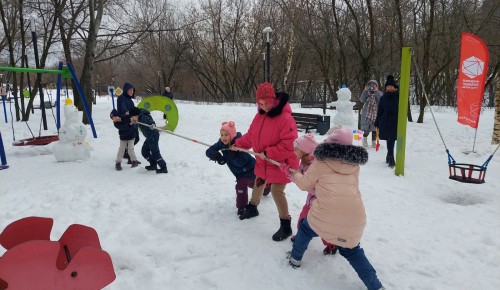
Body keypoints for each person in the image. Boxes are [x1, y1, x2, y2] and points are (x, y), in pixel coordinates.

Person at [281, 128, 384, 290]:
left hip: (326, 214)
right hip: (355, 218)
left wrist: (292, 174)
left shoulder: (320, 162)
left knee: (306, 228)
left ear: (328, 143)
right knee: (353, 251)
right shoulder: (354, 165)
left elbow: (304, 184)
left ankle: (295, 258)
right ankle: (376, 286)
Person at [232, 82, 299, 242]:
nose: (264, 106)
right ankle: (253, 207)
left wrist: (269, 153)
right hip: (263, 162)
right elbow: (251, 136)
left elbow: (290, 144)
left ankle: (285, 224)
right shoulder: (259, 116)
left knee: (276, 190)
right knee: (259, 181)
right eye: (260, 104)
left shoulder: (285, 119)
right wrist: (238, 144)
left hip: (281, 164)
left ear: (274, 100)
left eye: (266, 103)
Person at [206, 121, 270, 216]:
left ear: (232, 135)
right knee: (254, 185)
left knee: (241, 186)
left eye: (226, 135)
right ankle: (267, 188)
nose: (223, 137)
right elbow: (209, 150)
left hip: (251, 169)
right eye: (222, 134)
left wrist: (232, 157)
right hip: (239, 173)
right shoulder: (221, 143)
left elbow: (241, 163)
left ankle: (242, 208)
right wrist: (217, 156)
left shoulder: (239, 143)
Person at [288, 134, 337, 255]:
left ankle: (331, 244)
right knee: (302, 221)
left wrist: (292, 176)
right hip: (310, 202)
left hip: (320, 204)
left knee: (322, 228)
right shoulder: (304, 161)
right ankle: (300, 238)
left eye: (296, 149)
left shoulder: (315, 165)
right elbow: (301, 177)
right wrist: (291, 173)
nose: (293, 151)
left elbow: (307, 185)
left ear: (305, 151)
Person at [128, 107, 168, 174]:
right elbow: (137, 123)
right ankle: (153, 164)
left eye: (132, 117)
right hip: (149, 136)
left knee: (155, 153)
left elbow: (150, 122)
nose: (132, 118)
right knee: (144, 152)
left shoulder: (143, 117)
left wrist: (152, 125)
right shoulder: (139, 118)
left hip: (153, 135)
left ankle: (163, 168)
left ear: (135, 115)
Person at [374, 75, 399, 168]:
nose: (389, 88)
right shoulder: (383, 98)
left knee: (392, 139)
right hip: (385, 121)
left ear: (394, 87)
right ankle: (391, 156)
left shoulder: (399, 97)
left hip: (395, 121)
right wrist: (377, 121)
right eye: (388, 87)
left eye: (391, 86)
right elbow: (380, 110)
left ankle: (389, 154)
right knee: (389, 139)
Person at [115, 82, 140, 164]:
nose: (131, 92)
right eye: (130, 90)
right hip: (125, 122)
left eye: (132, 90)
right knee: (129, 139)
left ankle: (128, 153)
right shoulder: (121, 98)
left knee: (136, 138)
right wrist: (128, 114)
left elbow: (133, 110)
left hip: (132, 121)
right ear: (126, 90)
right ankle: (130, 158)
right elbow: (123, 110)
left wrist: (137, 115)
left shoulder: (130, 100)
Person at [359, 80, 383, 148]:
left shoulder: (379, 93)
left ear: (377, 86)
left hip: (376, 114)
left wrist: (377, 91)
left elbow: (381, 100)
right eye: (370, 85)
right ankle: (364, 139)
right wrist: (365, 91)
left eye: (374, 85)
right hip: (367, 114)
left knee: (375, 129)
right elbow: (361, 100)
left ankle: (373, 141)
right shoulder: (366, 93)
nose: (372, 86)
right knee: (366, 129)